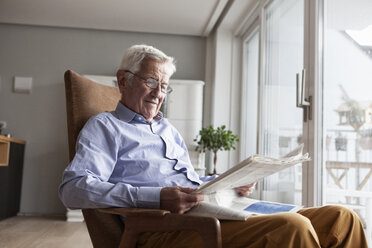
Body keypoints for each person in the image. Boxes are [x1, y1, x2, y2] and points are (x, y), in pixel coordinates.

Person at [59, 44, 368, 248]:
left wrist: (226, 184)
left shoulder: (167, 129)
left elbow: (188, 185)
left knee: (343, 217)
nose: (159, 93)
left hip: (207, 212)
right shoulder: (105, 127)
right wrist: (156, 198)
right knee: (293, 226)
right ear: (123, 80)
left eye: (164, 86)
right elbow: (72, 189)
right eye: (151, 82)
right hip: (161, 228)